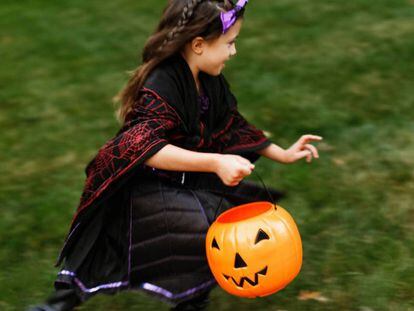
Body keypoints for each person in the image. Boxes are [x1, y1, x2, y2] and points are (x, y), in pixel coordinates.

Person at [28, 0, 322, 310]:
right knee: (126, 245)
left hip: (185, 182)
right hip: (143, 187)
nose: (234, 51)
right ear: (198, 45)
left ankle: (191, 303)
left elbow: (231, 125)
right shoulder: (163, 83)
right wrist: (215, 162)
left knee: (206, 233)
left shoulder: (209, 81)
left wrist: (284, 154)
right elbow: (145, 147)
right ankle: (55, 307)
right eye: (230, 43)